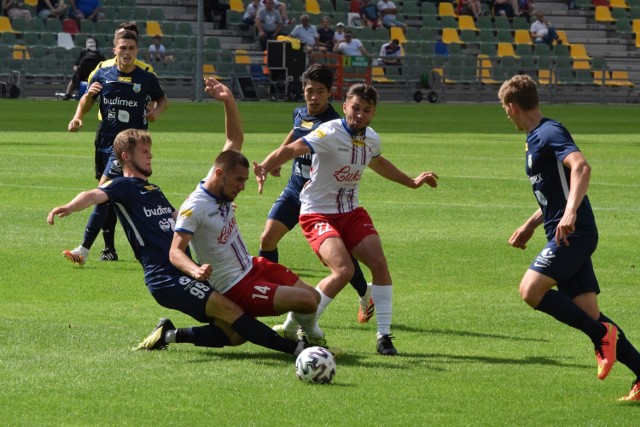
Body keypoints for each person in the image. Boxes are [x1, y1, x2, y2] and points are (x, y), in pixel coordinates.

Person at [48, 79, 313, 358]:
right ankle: (296, 350)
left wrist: (213, 214)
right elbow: (93, 195)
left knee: (234, 334)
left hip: (184, 270)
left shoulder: (153, 190)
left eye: (151, 152)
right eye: (144, 153)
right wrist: (68, 207)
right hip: (165, 277)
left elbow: (182, 218)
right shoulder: (123, 186)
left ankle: (169, 334)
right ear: (126, 157)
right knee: (232, 311)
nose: (150, 157)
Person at [254, 83, 439, 356]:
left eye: (366, 110)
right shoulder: (328, 132)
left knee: (379, 262)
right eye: (355, 108)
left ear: (374, 113)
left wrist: (411, 182)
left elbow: (378, 163)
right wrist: (265, 167)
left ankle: (384, 337)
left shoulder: (372, 138)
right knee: (343, 271)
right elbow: (293, 148)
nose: (360, 115)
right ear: (345, 108)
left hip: (350, 211)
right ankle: (306, 325)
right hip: (316, 211)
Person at [498, 74, 640, 402]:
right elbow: (554, 195)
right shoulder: (534, 138)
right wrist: (533, 223)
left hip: (574, 235)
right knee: (589, 312)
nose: (507, 116)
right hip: (563, 232)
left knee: (530, 290)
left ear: (512, 106)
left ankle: (600, 336)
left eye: (505, 110)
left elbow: (581, 167)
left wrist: (571, 213)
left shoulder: (549, 132)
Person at [168, 90, 337, 353]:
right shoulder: (194, 207)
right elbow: (175, 251)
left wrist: (227, 99)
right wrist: (194, 270)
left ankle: (299, 335)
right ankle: (311, 341)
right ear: (221, 174)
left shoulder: (217, 178)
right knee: (305, 300)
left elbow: (235, 138)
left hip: (253, 266)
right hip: (236, 286)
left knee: (312, 298)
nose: (242, 187)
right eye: (239, 181)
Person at [258, 64, 374, 326]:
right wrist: (276, 159)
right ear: (304, 90)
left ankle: (366, 293)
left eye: (320, 91)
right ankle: (270, 292)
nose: (314, 97)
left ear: (329, 93)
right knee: (267, 238)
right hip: (294, 190)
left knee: (339, 262)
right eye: (310, 91)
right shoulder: (300, 113)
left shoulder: (335, 124)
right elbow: (295, 133)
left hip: (322, 199)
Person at [62, 30, 168, 266]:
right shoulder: (102, 73)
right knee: (114, 198)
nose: (127, 52)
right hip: (104, 142)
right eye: (123, 48)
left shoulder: (145, 77)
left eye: (131, 48)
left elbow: (162, 100)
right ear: (115, 50)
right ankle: (148, 244)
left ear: (136, 50)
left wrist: (155, 113)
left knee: (103, 193)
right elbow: (87, 99)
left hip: (127, 148)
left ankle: (84, 248)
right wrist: (78, 116)